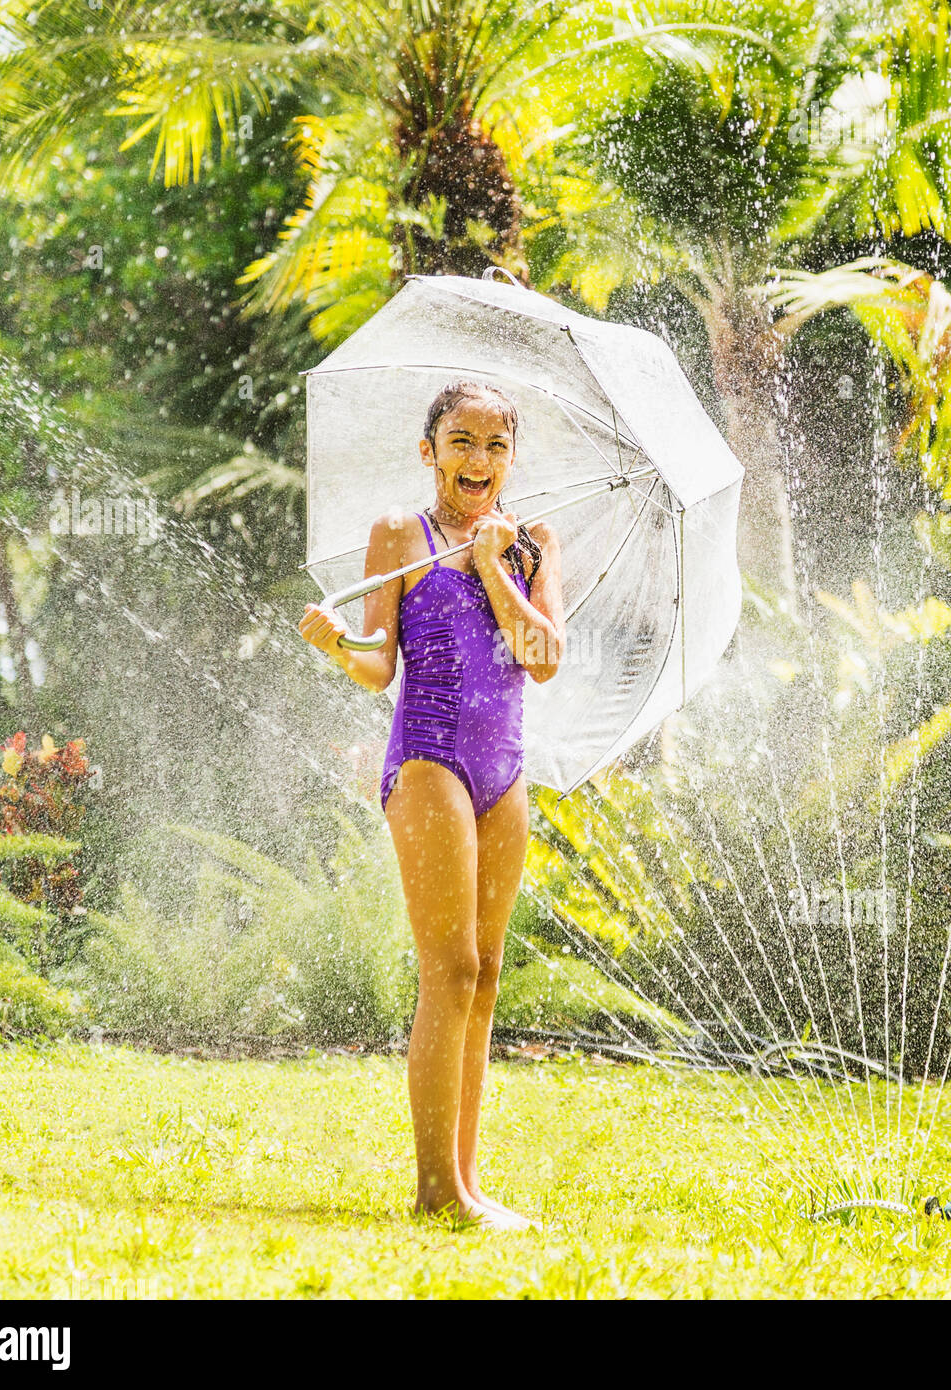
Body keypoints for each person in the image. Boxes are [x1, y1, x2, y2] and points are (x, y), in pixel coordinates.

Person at [298, 380, 565, 1229]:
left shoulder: (531, 544)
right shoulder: (397, 535)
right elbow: (381, 666)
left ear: (512, 458)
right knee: (447, 970)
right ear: (430, 451)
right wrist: (340, 643)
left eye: (494, 445)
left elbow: (544, 656)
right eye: (461, 441)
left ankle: (467, 1184)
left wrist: (494, 565)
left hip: (505, 770)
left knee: (484, 977)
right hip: (429, 759)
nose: (477, 459)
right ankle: (433, 1190)